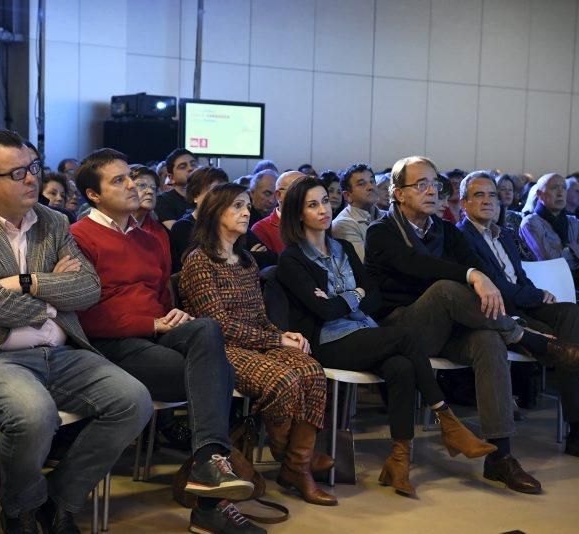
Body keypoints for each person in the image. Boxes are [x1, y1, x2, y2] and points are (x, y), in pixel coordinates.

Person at [0, 129, 152, 533]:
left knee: (134, 400)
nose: (31, 178)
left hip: (62, 353)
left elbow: (88, 289)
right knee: (34, 414)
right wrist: (52, 296)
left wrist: (26, 281)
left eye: (33, 167)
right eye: (16, 173)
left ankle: (59, 500)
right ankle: (21, 509)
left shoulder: (54, 221)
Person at [365, 156, 579, 494]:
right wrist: (471, 275)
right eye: (421, 185)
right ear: (399, 194)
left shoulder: (444, 229)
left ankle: (501, 456)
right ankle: (531, 341)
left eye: (435, 183)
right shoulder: (381, 231)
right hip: (404, 330)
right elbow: (417, 265)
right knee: (446, 288)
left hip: (449, 328)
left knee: (489, 341)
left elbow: (478, 265)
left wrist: (477, 274)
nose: (432, 190)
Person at [69, 149, 260, 534]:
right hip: (111, 345)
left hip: (156, 334)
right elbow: (83, 316)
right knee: (217, 372)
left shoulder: (150, 238)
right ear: (93, 195)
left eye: (132, 177)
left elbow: (160, 297)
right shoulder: (78, 237)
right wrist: (151, 321)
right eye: (118, 180)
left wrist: (173, 316)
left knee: (206, 328)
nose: (133, 185)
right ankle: (210, 504)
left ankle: (208, 463)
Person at [277, 176, 498, 497]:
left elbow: (375, 298)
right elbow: (323, 313)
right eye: (313, 205)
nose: (324, 209)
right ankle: (447, 422)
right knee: (406, 338)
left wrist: (344, 297)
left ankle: (399, 462)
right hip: (328, 343)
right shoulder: (292, 259)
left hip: (365, 333)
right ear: (298, 214)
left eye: (325, 201)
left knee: (401, 368)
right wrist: (357, 293)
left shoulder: (343, 248)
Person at [457, 171, 579, 464]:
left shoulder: (504, 236)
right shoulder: (461, 238)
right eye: (479, 195)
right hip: (497, 314)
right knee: (565, 337)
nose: (488, 201)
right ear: (463, 203)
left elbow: (520, 278)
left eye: (492, 195)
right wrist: (536, 296)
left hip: (523, 304)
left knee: (569, 310)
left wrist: (538, 293)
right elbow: (495, 288)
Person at [179, 183, 337, 507]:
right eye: (237, 206)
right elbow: (217, 324)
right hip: (220, 350)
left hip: (257, 340)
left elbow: (258, 315)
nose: (246, 212)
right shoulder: (199, 261)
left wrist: (284, 335)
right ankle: (293, 464)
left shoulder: (247, 259)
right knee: (285, 380)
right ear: (215, 212)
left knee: (313, 371)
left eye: (247, 206)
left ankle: (296, 465)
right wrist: (274, 339)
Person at [520, 173, 579, 286]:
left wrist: (567, 250)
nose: (560, 193)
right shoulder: (531, 222)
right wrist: (576, 250)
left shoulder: (573, 221)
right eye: (554, 188)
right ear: (539, 194)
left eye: (564, 188)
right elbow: (550, 262)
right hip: (549, 285)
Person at [170, 167, 230, 273]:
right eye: (215, 192)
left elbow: (265, 256)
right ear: (196, 195)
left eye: (224, 192)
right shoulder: (183, 228)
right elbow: (197, 267)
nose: (222, 198)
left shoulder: (231, 224)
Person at [331, 163, 384, 262]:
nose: (370, 187)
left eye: (372, 181)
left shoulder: (388, 216)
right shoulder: (342, 225)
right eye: (361, 184)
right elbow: (367, 265)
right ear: (347, 196)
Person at [251, 171, 304, 255]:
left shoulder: (313, 224)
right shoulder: (261, 229)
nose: (305, 197)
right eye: (299, 191)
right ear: (279, 195)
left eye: (307, 192)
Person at [155, 148, 200, 229]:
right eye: (182, 167)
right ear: (171, 177)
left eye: (193, 164)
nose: (190, 168)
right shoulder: (163, 201)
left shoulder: (208, 196)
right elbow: (179, 234)